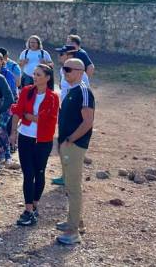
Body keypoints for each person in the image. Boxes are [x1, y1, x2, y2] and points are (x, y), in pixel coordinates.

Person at [9, 64, 59, 227]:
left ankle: (35, 204)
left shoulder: (53, 97)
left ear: (47, 78)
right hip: (25, 137)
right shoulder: (26, 91)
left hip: (43, 140)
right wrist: (13, 132)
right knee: (28, 174)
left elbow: (47, 120)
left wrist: (28, 115)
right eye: (34, 74)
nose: (35, 77)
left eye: (38, 75)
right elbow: (17, 111)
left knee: (39, 172)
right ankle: (28, 210)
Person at [55, 58, 95, 246]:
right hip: (67, 144)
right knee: (69, 185)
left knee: (73, 186)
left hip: (75, 145)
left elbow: (88, 121)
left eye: (68, 69)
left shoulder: (84, 91)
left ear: (80, 72)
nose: (64, 72)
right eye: (64, 69)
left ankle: (73, 231)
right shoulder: (72, 91)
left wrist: (71, 139)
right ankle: (76, 221)